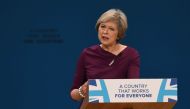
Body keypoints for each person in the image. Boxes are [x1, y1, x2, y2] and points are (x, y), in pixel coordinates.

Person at [70, 8, 140, 104]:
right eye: (103, 26)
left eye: (111, 29)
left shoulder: (131, 55)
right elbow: (74, 94)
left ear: (119, 34)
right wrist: (82, 91)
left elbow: (133, 91)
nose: (105, 32)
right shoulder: (87, 54)